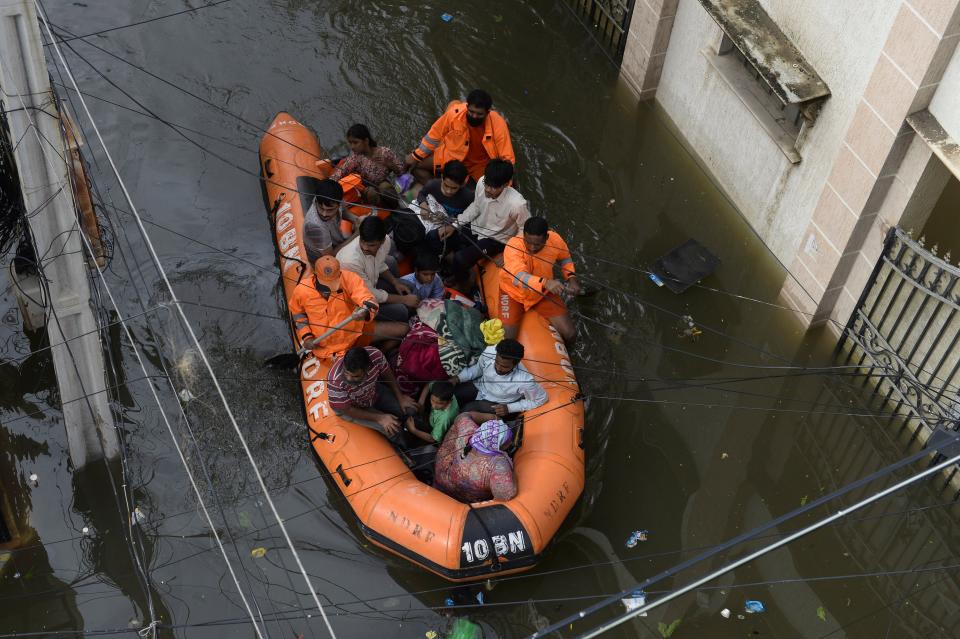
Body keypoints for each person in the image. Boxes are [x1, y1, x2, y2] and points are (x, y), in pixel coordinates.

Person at [289, 256, 406, 359]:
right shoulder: (301, 290)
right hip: (327, 347)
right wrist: (307, 336)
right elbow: (297, 313)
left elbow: (368, 299)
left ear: (339, 273)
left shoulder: (350, 278)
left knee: (404, 329)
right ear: (315, 275)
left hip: (357, 333)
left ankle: (380, 352)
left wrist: (364, 312)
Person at [436, 159, 529, 278]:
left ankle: (461, 281)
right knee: (439, 237)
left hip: (495, 239)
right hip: (476, 226)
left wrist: (509, 253)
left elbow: (524, 230)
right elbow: (476, 207)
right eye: (487, 184)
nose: (488, 190)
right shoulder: (480, 182)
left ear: (506, 185)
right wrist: (456, 224)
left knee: (460, 259)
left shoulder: (517, 204)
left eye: (494, 187)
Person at [404, 89, 515, 184]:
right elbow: (434, 136)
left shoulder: (499, 124)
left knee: (492, 188)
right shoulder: (454, 114)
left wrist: (504, 183)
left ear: (488, 112)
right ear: (466, 106)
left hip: (480, 164)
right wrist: (415, 156)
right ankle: (439, 191)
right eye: (471, 112)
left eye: (479, 114)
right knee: (415, 166)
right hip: (453, 155)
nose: (474, 116)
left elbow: (507, 159)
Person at [500, 217, 580, 344]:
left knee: (571, 335)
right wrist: (545, 283)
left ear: (547, 238)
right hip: (513, 293)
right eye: (528, 242)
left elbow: (565, 259)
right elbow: (518, 277)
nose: (532, 248)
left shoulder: (555, 240)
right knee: (507, 341)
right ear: (523, 235)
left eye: (537, 244)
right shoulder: (513, 245)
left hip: (542, 294)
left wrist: (571, 278)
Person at [337, 216, 418, 321]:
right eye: (362, 242)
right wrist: (404, 300)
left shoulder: (386, 242)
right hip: (357, 303)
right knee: (402, 311)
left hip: (370, 282)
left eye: (371, 245)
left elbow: (379, 264)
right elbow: (370, 293)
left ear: (382, 241)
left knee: (408, 287)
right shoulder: (350, 262)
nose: (365, 247)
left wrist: (395, 283)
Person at [449, 338, 547, 419]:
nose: (498, 368)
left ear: (516, 364)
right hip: (480, 386)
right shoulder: (490, 352)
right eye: (497, 362)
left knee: (466, 411)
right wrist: (458, 378)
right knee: (452, 395)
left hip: (497, 402)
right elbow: (478, 369)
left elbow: (541, 399)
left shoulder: (525, 380)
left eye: (504, 366)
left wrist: (510, 408)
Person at [434, 414, 517, 503]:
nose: (510, 442)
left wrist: (494, 418)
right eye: (507, 440)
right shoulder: (498, 464)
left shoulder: (468, 430)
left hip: (442, 481)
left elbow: (462, 416)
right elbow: (506, 495)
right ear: (499, 445)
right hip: (466, 502)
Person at [329, 124, 405, 207]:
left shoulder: (384, 153)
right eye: (350, 143)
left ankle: (396, 207)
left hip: (381, 184)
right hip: (365, 188)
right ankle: (384, 210)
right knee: (371, 192)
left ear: (366, 141)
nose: (352, 147)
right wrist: (328, 184)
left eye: (355, 142)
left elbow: (401, 172)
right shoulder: (356, 158)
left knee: (385, 188)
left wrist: (390, 164)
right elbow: (341, 172)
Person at [416, 160, 474, 258]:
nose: (448, 191)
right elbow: (421, 194)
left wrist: (454, 225)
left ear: (462, 184)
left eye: (454, 188)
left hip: (456, 226)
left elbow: (472, 215)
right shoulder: (433, 185)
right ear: (442, 177)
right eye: (446, 185)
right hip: (436, 224)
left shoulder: (468, 197)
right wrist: (423, 206)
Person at [303, 179, 359, 264]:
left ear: (339, 203)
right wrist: (356, 234)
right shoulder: (314, 226)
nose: (324, 214)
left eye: (330, 210)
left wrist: (356, 220)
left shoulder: (334, 200)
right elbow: (330, 256)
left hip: (337, 242)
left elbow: (343, 211)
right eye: (321, 208)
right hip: (324, 260)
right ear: (316, 201)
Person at [405, 380, 460, 444]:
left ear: (449, 401)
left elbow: (433, 439)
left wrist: (413, 430)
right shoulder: (440, 390)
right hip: (432, 416)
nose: (434, 406)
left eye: (440, 403)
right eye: (432, 400)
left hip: (433, 427)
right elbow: (428, 385)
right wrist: (421, 402)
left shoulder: (445, 418)